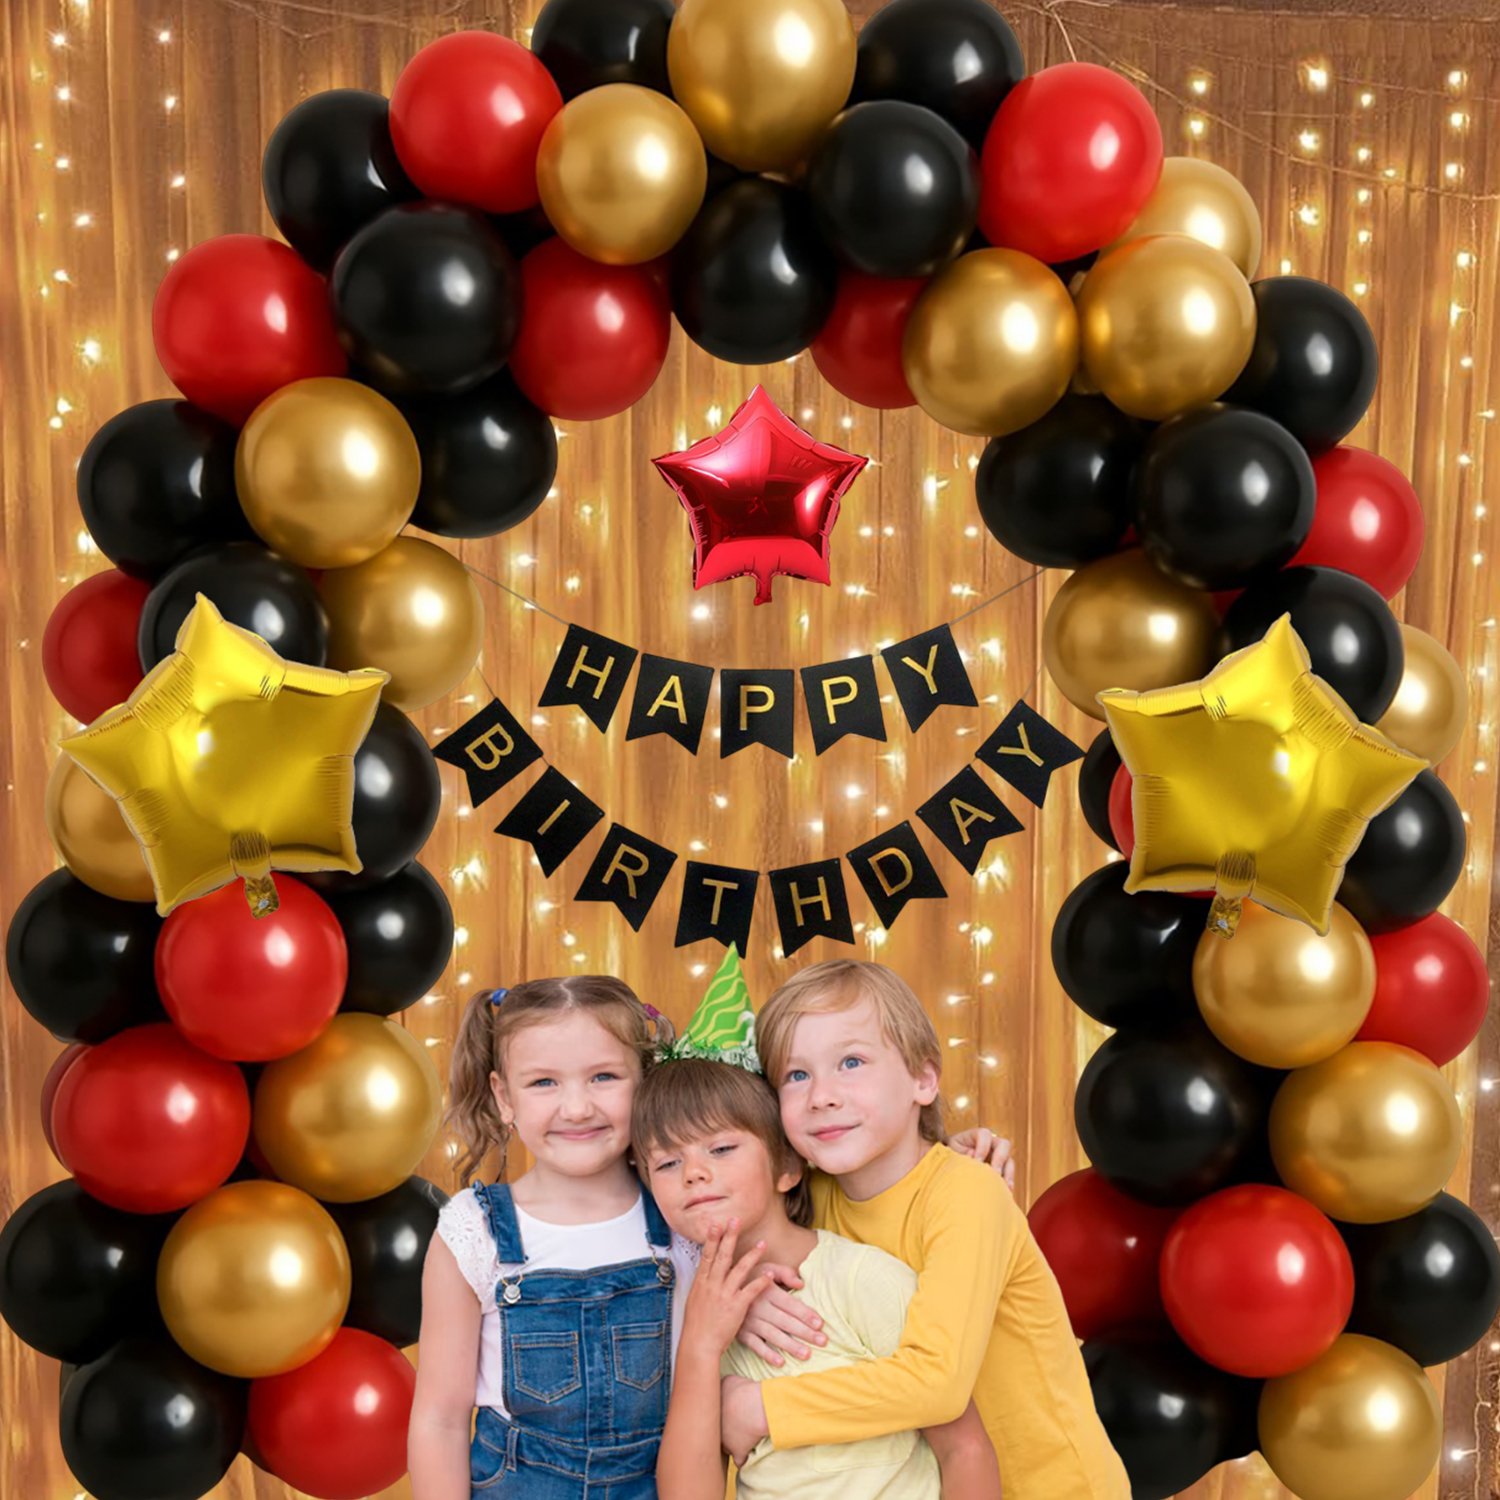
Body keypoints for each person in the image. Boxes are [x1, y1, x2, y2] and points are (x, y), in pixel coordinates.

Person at [718, 959, 1130, 1500]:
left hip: (1052, 1486)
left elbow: (938, 1384)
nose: (821, 1096)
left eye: (851, 1062)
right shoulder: (807, 1199)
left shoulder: (967, 1192)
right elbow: (694, 1200)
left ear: (923, 1079)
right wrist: (744, 1297)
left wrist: (761, 1408)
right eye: (796, 1075)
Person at [632, 1009, 1001, 1499]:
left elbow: (965, 1450)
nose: (693, 1173)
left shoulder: (860, 1279)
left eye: (720, 1149)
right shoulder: (686, 1314)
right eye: (667, 1163)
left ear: (788, 1167)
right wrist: (700, 1345)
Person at [408, 977, 698, 1500]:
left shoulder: (683, 1217)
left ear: (645, 1080)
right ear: (504, 1097)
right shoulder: (474, 1232)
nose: (577, 1108)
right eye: (544, 1082)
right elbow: (440, 1419)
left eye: (604, 1077)